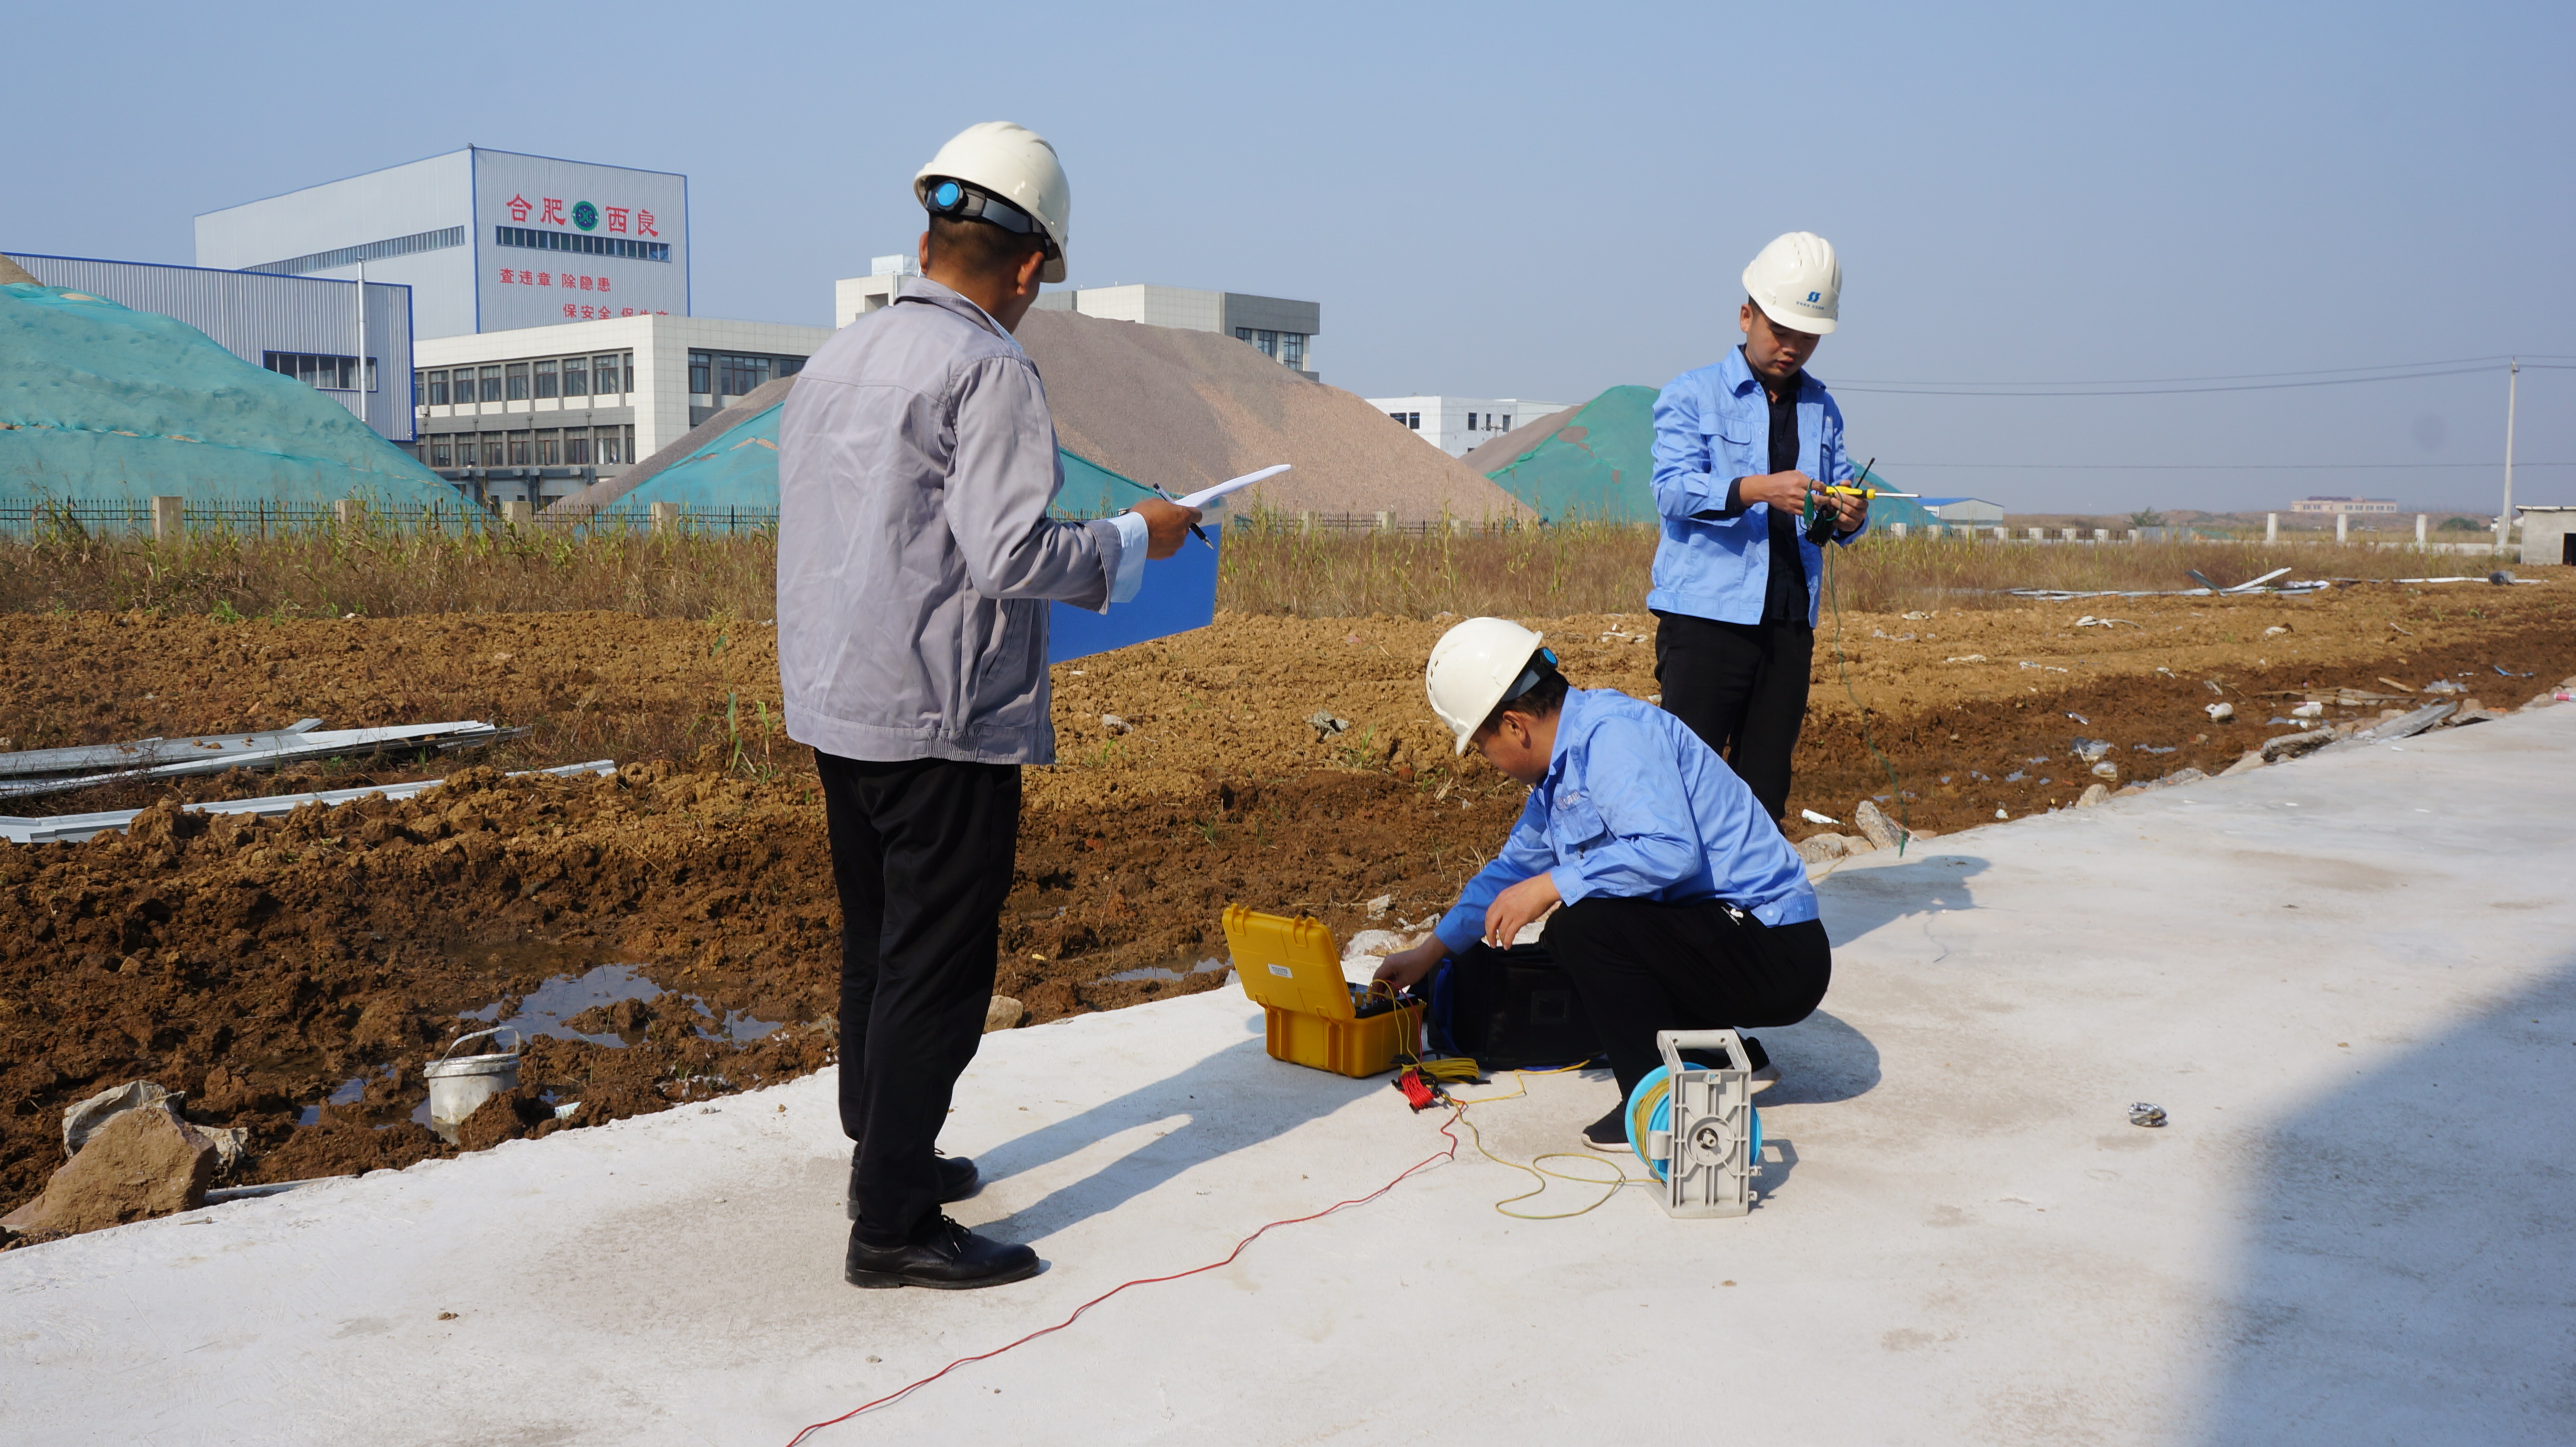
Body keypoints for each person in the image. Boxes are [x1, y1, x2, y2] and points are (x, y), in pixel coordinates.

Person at [777, 122, 1201, 1290]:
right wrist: (1138, 537)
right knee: (938, 968)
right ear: (1030, 268)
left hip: (840, 703)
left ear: (926, 237)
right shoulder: (989, 370)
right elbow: (1012, 552)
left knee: (878, 940)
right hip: (939, 717)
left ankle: (885, 1150)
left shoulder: (840, 359)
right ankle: (893, 1226)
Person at [1372, 618, 1831, 1150]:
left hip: (1775, 950)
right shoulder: (1559, 775)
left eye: (1481, 747)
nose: (1489, 764)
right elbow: (1508, 872)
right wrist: (1428, 953)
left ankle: (1654, 1099)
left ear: (1516, 726)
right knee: (1579, 923)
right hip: (1730, 942)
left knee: (1585, 926)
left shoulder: (1613, 736)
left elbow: (1670, 851)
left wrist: (1553, 884)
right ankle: (1701, 1056)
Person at [1648, 231, 1872, 826]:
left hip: (1787, 624)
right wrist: (1755, 488)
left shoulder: (1822, 409)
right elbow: (1669, 490)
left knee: (1764, 789)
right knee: (1687, 785)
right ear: (1746, 315)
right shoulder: (1691, 395)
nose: (1792, 348)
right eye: (1781, 331)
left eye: (1808, 338)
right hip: (1706, 621)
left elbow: (1839, 497)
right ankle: (1673, 913)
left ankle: (1745, 916)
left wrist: (1849, 515)